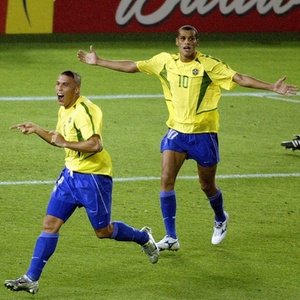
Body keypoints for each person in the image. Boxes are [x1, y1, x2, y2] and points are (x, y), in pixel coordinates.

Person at [77, 25, 298, 251]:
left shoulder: (208, 65)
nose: (187, 42)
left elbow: (239, 78)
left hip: (204, 135)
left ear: (197, 42)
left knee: (206, 185)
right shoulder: (165, 62)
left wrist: (272, 86)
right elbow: (133, 65)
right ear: (176, 42)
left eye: (191, 39)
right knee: (166, 180)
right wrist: (100, 61)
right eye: (183, 38)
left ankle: (220, 217)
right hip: (177, 133)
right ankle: (171, 237)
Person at [4, 70, 159, 295]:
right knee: (50, 224)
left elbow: (95, 145)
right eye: (57, 83)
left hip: (93, 178)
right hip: (70, 176)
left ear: (76, 89)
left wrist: (65, 142)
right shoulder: (64, 109)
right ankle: (31, 278)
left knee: (103, 231)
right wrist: (37, 129)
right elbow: (59, 140)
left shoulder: (86, 110)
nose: (59, 88)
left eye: (65, 85)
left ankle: (144, 237)